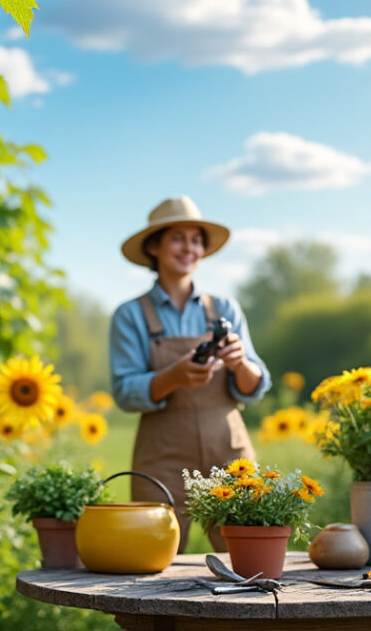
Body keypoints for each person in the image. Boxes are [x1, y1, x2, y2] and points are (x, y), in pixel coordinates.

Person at [109, 196, 271, 552]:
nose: (189, 248)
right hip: (161, 454)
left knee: (245, 558)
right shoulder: (130, 315)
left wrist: (240, 362)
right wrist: (175, 376)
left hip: (230, 449)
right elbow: (124, 391)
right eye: (177, 238)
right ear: (154, 246)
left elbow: (255, 386)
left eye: (196, 239)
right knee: (151, 560)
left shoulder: (225, 308)